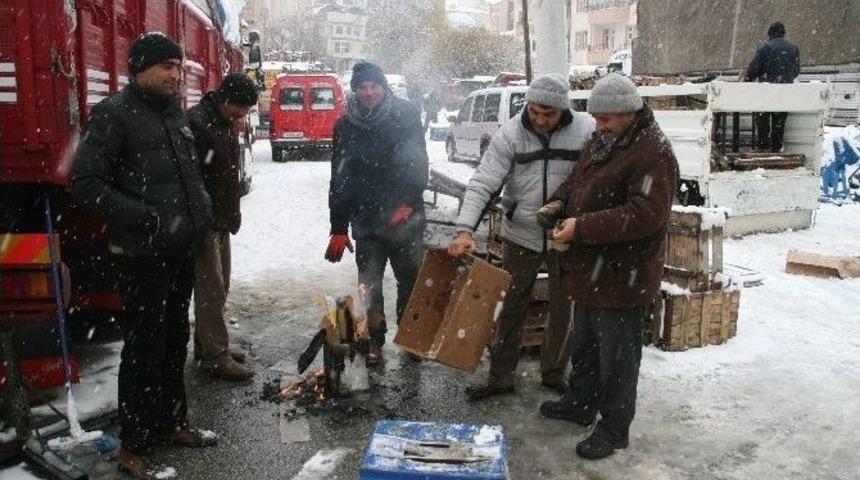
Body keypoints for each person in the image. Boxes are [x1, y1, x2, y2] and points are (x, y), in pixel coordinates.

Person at [70, 32, 215, 479]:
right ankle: (134, 443)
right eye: (167, 66)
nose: (177, 74)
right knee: (144, 346)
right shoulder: (114, 115)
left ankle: (171, 421)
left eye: (179, 65)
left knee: (175, 338)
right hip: (141, 253)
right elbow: (86, 183)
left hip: (179, 249)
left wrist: (200, 215)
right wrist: (146, 218)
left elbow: (187, 176)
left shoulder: (174, 115)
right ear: (140, 69)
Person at [540, 73, 679, 460]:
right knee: (584, 344)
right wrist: (557, 204)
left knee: (618, 358)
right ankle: (581, 402)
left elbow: (646, 214)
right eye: (597, 120)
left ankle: (615, 428)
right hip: (592, 269)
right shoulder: (605, 140)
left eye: (605, 120)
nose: (598, 127)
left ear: (629, 113)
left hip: (623, 274)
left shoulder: (654, 152)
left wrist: (581, 227)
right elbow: (577, 183)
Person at [447, 73, 595, 400]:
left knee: (563, 307)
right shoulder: (510, 134)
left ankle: (555, 372)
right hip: (521, 234)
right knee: (510, 306)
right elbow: (483, 183)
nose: (540, 120)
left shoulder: (585, 130)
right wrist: (464, 230)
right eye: (535, 111)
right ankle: (501, 376)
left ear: (563, 110)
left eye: (549, 114)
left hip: (564, 234)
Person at [326, 62, 429, 364]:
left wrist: (408, 202)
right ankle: (373, 340)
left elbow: (418, 163)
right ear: (355, 90)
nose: (369, 92)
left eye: (374, 86)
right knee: (369, 284)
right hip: (366, 219)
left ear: (384, 87)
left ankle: (412, 339)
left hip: (405, 217)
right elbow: (340, 177)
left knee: (410, 279)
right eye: (363, 87)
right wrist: (339, 227)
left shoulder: (406, 115)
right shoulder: (345, 125)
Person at [187, 73, 258, 381]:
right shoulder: (198, 122)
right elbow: (193, 179)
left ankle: (209, 347)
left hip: (221, 221)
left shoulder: (225, 121)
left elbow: (227, 173)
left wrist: (232, 214)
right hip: (204, 222)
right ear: (227, 100)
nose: (243, 115)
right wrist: (204, 219)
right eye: (241, 108)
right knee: (210, 291)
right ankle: (215, 357)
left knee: (220, 286)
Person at [745, 21, 800, 152]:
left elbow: (754, 68)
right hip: (785, 91)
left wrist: (748, 79)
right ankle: (777, 148)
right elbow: (796, 70)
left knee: (763, 119)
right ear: (783, 33)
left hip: (766, 90)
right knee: (779, 122)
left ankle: (763, 146)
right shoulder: (793, 48)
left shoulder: (765, 47)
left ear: (770, 33)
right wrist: (785, 78)